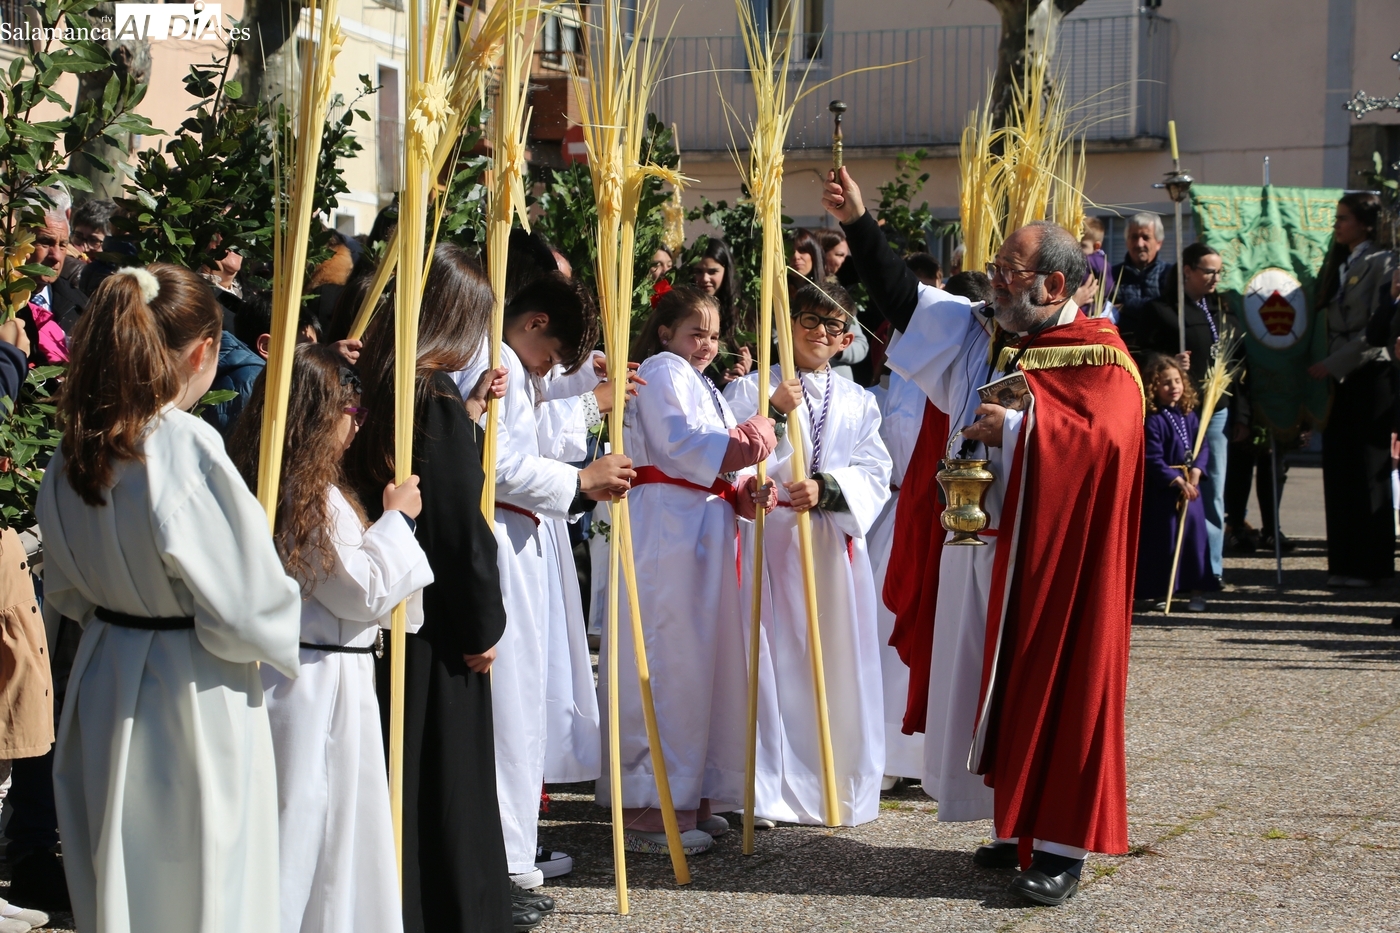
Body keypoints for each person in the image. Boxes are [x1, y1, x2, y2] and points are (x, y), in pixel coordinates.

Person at [824, 166, 1143, 906]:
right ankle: (1012, 820)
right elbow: (905, 301)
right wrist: (859, 223)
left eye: (1009, 272)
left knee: (1054, 688)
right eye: (995, 268)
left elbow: (1107, 445)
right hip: (978, 547)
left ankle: (1060, 846)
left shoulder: (1102, 358)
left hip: (1052, 567)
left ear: (1055, 286)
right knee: (983, 688)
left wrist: (1022, 431)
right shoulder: (985, 331)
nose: (994, 282)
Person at [36, 264, 303, 932]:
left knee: (118, 877)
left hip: (104, 674)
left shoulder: (75, 445)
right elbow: (248, 606)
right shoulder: (184, 445)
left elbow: (64, 587)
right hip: (191, 687)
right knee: (201, 882)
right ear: (202, 352)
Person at [347, 243, 527, 933]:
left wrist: (469, 418)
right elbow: (457, 527)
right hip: (433, 623)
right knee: (441, 787)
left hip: (374, 608)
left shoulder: (375, 380)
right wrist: (484, 625)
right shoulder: (431, 396)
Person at [228, 344, 434, 933]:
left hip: (319, 671)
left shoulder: (285, 483)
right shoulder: (308, 494)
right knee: (309, 828)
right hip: (316, 681)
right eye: (352, 412)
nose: (357, 425)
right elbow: (359, 590)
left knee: (327, 829)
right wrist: (399, 521)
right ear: (321, 415)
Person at [454, 270, 633, 897]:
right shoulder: (494, 359)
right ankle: (504, 856)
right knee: (510, 701)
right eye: (551, 355)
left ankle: (512, 844)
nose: (548, 370)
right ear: (533, 324)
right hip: (502, 535)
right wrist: (581, 481)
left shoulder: (512, 361)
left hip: (523, 535)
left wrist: (586, 380)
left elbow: (539, 410)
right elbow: (493, 463)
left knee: (525, 698)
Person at [599, 285, 777, 854]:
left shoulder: (705, 384)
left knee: (705, 662)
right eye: (696, 333)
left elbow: (718, 463)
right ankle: (652, 802)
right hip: (669, 528)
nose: (706, 345)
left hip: (702, 526)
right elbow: (679, 444)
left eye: (715, 336)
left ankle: (694, 791)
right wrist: (747, 441)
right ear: (666, 333)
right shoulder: (663, 369)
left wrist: (745, 490)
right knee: (671, 658)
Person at [725, 281, 892, 826]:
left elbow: (875, 469)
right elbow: (727, 454)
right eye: (810, 319)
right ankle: (764, 786)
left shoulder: (859, 401)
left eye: (833, 325)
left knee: (834, 659)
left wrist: (828, 487)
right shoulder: (753, 388)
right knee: (770, 656)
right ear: (786, 324)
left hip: (828, 544)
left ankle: (832, 781)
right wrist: (762, 457)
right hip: (769, 539)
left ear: (846, 339)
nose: (821, 332)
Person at [1121, 243, 1233, 584]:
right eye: (1209, 271)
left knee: (1211, 490)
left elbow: (1231, 361)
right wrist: (1170, 359)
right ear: (1188, 271)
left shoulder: (1220, 309)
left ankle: (1209, 569)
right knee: (1172, 495)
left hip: (1215, 410)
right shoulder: (1161, 310)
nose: (1215, 278)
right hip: (1175, 414)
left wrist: (1241, 414)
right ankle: (1174, 573)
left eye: (1219, 272)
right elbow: (1141, 353)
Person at [1309, 192, 1397, 587]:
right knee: (1340, 467)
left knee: (1367, 469)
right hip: (1338, 376)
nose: (1337, 225)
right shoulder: (1340, 263)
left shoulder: (1384, 261)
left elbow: (1378, 327)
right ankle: (1343, 562)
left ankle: (1372, 565)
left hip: (1369, 372)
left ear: (1365, 223)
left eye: (1344, 218)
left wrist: (1333, 362)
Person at [866, 367, 927, 788]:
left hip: (944, 506)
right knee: (885, 626)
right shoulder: (900, 382)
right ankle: (888, 749)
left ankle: (928, 756)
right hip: (900, 508)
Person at [1135, 354, 1213, 611]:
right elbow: (1152, 457)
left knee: (1195, 539)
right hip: (1167, 491)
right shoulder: (1154, 419)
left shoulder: (1188, 414)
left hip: (1191, 489)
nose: (1173, 387)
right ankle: (1163, 590)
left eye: (1177, 381)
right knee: (1165, 541)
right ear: (1154, 386)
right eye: (1166, 382)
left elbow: (1202, 445)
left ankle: (1197, 589)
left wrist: (1197, 471)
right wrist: (1177, 480)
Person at [20, 207, 86, 364]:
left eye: (63, 245)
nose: (56, 256)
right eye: (45, 242)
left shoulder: (82, 306)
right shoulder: (5, 302)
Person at [691, 238, 751, 385]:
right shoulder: (684, 312)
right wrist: (716, 381)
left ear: (726, 271)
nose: (705, 278)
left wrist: (748, 368)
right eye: (698, 271)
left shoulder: (744, 315)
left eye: (712, 272)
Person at [1112, 212, 1169, 314]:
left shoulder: (1169, 274)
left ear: (1159, 243)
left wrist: (1126, 307)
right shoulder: (1113, 275)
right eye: (1134, 237)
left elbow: (1168, 306)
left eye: (1146, 237)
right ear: (1127, 242)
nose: (1139, 244)